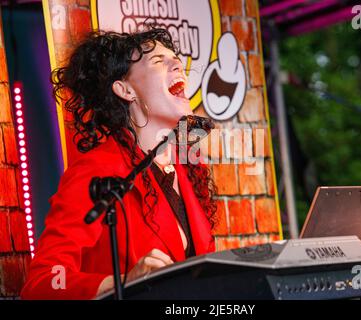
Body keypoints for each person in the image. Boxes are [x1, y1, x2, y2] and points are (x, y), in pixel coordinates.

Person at [20, 27, 218, 300]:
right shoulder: (97, 171)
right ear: (125, 90)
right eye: (159, 61)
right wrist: (123, 282)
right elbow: (43, 282)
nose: (178, 64)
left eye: (176, 58)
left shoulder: (189, 170)